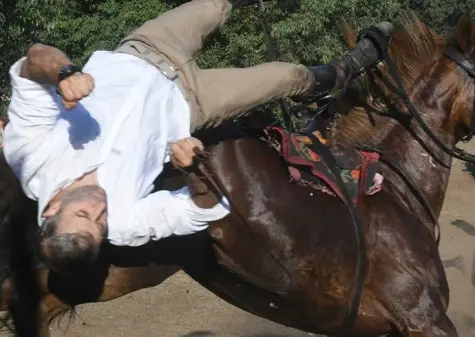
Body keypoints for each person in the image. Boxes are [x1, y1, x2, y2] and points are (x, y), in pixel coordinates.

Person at [3, 0, 394, 275]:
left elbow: (34, 58)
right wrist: (194, 171)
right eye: (100, 224)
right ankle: (345, 70)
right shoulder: (124, 225)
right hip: (192, 100)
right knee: (285, 76)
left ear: (51, 212)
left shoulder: (29, 153)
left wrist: (64, 73)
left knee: (214, 4)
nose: (101, 209)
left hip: (145, 48)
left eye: (86, 214)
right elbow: (203, 210)